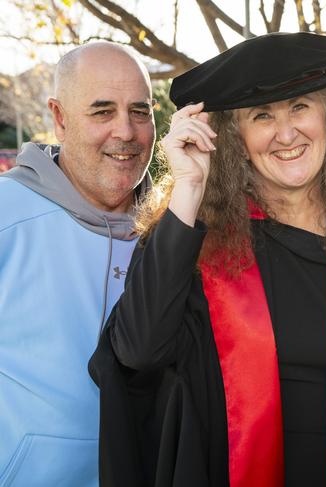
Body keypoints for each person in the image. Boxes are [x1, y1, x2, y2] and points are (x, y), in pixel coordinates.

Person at [89, 32, 326, 487]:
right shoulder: (200, 244)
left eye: (300, 107)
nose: (286, 133)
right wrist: (189, 190)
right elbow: (138, 351)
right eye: (262, 116)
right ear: (236, 137)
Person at [0, 42, 155, 486]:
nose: (125, 131)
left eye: (140, 111)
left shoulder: (174, 231)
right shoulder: (7, 212)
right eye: (102, 111)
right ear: (60, 118)